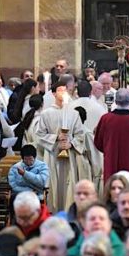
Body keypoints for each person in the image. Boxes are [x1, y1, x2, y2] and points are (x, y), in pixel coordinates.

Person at [35, 80, 87, 211]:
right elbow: (39, 135)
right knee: (54, 184)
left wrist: (71, 143)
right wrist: (56, 138)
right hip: (53, 155)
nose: (64, 93)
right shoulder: (46, 113)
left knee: (69, 184)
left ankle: (69, 211)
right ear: (53, 93)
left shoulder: (74, 114)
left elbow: (80, 135)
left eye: (65, 90)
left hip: (69, 156)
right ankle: (52, 211)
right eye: (60, 90)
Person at [95, 88, 129, 182]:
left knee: (112, 187)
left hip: (111, 160)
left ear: (115, 101)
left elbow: (98, 142)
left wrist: (109, 149)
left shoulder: (105, 119)